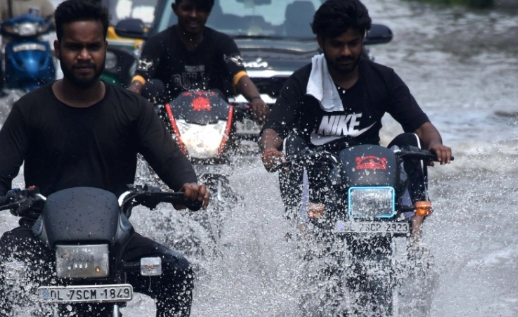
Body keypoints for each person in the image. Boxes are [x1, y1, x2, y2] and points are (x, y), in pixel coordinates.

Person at [0, 0, 209, 317]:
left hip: (115, 239)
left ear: (104, 50)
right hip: (40, 238)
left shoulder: (133, 109)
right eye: (74, 47)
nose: (84, 55)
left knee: (178, 274)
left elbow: (172, 162)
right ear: (57, 48)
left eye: (93, 46)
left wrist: (189, 186)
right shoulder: (29, 109)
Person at [259, 0, 452, 227]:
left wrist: (436, 144)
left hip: (371, 176)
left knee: (412, 143)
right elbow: (273, 129)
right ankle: (301, 234)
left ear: (363, 38)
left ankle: (415, 234)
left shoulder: (384, 79)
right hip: (318, 179)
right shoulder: (302, 82)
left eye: (353, 43)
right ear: (321, 41)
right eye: (337, 45)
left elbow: (421, 126)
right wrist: (270, 149)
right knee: (294, 144)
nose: (346, 52)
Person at [127, 0, 269, 123]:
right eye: (187, 8)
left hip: (215, 123)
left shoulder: (223, 43)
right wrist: (128, 103)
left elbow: (240, 76)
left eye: (201, 9)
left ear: (209, 11)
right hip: (169, 126)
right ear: (175, 9)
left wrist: (256, 99)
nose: (194, 15)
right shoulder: (157, 43)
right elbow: (140, 79)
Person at [0, 0, 56, 98]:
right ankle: (2, 99)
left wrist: (53, 24)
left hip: (37, 47)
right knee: (1, 80)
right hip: (10, 48)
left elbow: (53, 18)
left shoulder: (42, 2)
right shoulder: (3, 2)